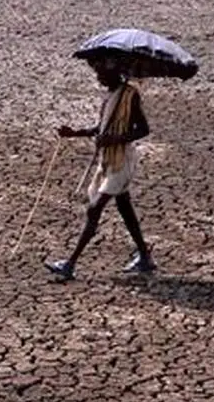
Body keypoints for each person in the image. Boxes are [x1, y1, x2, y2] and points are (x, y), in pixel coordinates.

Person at [46, 58, 155, 280]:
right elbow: (101, 128)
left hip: (121, 160)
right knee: (125, 208)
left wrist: (115, 139)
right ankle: (145, 256)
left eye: (101, 73)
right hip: (108, 160)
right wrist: (75, 133)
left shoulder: (130, 95)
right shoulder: (109, 98)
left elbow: (142, 129)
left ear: (115, 72)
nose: (98, 77)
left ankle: (70, 264)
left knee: (94, 209)